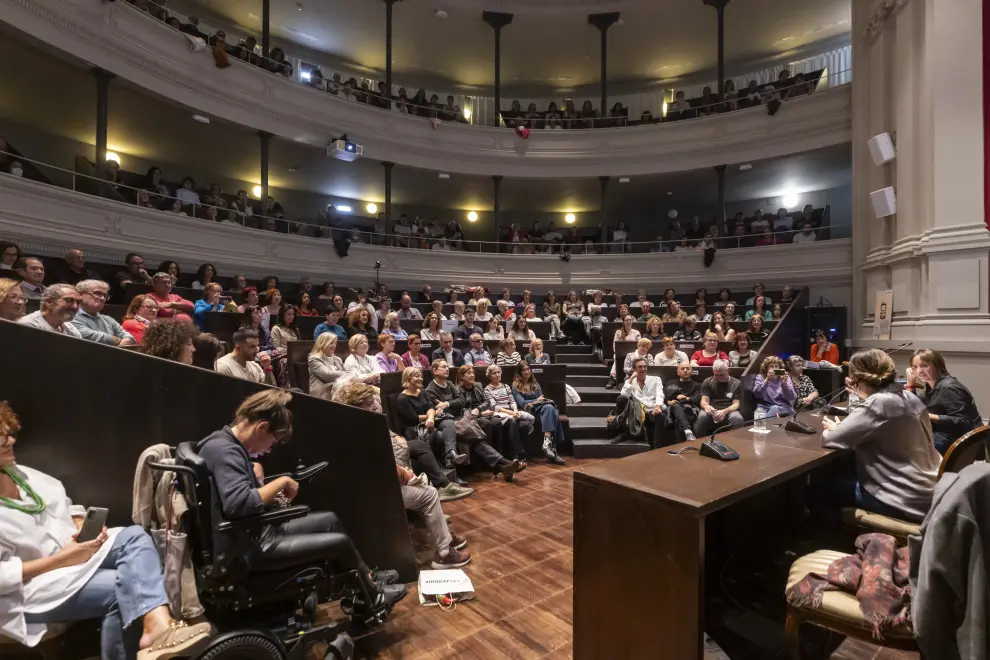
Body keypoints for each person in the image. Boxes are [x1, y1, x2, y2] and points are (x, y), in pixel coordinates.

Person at [0, 401, 213, 658]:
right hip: (26, 592)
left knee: (134, 535)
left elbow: (66, 505)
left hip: (72, 561)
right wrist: (61, 560)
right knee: (124, 588)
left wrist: (83, 528)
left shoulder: (21, 474)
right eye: (0, 437)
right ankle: (155, 631)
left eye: (9, 433)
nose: (9, 441)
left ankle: (157, 626)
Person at [196, 390, 407, 611]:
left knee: (329, 520)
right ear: (261, 428)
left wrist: (252, 470)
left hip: (252, 533)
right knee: (338, 542)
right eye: (272, 442)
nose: (269, 450)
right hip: (247, 548)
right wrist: (280, 482)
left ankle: (366, 579)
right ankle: (371, 598)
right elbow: (238, 504)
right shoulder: (226, 452)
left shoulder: (219, 443)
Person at [810, 349, 941, 523]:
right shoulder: (909, 397)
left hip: (903, 498)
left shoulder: (879, 403)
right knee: (844, 472)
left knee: (815, 492)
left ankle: (835, 542)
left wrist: (835, 427)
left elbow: (831, 438)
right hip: (927, 491)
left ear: (858, 376)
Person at [425, 360, 522, 478]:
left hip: (459, 417)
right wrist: (451, 405)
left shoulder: (449, 384)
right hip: (448, 421)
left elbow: (461, 401)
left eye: (447, 366)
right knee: (477, 436)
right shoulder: (430, 390)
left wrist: (447, 404)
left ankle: (502, 466)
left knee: (476, 440)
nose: (447, 369)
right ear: (435, 371)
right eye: (443, 367)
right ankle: (504, 464)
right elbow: (439, 410)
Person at [905, 348, 982, 455]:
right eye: (915, 367)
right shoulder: (931, 385)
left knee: (913, 447)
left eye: (924, 366)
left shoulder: (949, 388)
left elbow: (964, 421)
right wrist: (910, 385)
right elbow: (914, 406)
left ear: (937, 365)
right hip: (945, 433)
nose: (919, 371)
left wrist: (931, 416)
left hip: (964, 439)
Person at [512, 362, 566, 465]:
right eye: (524, 370)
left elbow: (542, 401)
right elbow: (523, 403)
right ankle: (552, 451)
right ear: (519, 372)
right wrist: (536, 400)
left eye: (528, 369)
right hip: (528, 412)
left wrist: (537, 401)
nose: (527, 372)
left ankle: (547, 442)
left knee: (550, 408)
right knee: (552, 410)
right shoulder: (515, 386)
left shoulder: (535, 383)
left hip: (541, 411)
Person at [618, 357, 666, 446]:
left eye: (645, 366)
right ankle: (623, 431)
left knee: (660, 416)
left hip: (653, 408)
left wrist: (658, 406)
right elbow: (624, 395)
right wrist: (631, 378)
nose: (643, 369)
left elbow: (659, 393)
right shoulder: (630, 381)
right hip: (638, 410)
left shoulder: (655, 379)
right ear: (634, 369)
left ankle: (657, 447)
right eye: (640, 367)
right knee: (621, 399)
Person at [72, 280, 135, 345]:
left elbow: (131, 339)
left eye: (105, 296)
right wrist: (118, 342)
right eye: (97, 293)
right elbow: (89, 336)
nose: (102, 298)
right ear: (80, 295)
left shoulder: (108, 320)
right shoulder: (71, 317)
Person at [693, 360, 744, 437]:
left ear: (728, 370)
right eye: (716, 375)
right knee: (702, 417)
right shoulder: (707, 381)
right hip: (712, 411)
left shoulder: (737, 383)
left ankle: (737, 443)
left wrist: (724, 411)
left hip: (729, 411)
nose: (719, 378)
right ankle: (698, 443)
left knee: (737, 418)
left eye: (722, 375)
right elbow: (703, 401)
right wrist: (707, 406)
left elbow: (736, 404)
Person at [17, 284, 83, 338]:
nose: (75, 306)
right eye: (69, 300)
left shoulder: (70, 328)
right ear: (49, 302)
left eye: (78, 302)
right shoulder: (28, 326)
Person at [665, 362, 703, 442]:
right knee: (676, 406)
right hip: (672, 408)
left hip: (690, 409)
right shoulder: (671, 383)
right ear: (678, 372)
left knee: (678, 418)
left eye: (687, 368)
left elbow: (697, 399)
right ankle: (688, 432)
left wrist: (686, 399)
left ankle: (683, 439)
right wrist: (669, 402)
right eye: (682, 369)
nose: (685, 370)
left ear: (691, 372)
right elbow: (664, 398)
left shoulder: (698, 385)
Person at [606, 314, 641, 389]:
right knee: (616, 357)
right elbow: (615, 344)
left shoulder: (636, 332)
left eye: (630, 320)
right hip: (620, 353)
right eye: (626, 320)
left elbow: (639, 344)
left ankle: (629, 378)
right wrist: (616, 352)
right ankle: (612, 377)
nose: (628, 321)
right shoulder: (619, 332)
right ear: (623, 322)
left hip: (633, 353)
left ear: (632, 321)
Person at [308, 333, 346, 399]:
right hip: (322, 394)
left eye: (335, 343)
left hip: (339, 391)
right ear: (322, 343)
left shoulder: (337, 359)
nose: (334, 345)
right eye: (331, 343)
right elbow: (327, 375)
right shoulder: (314, 359)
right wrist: (346, 374)